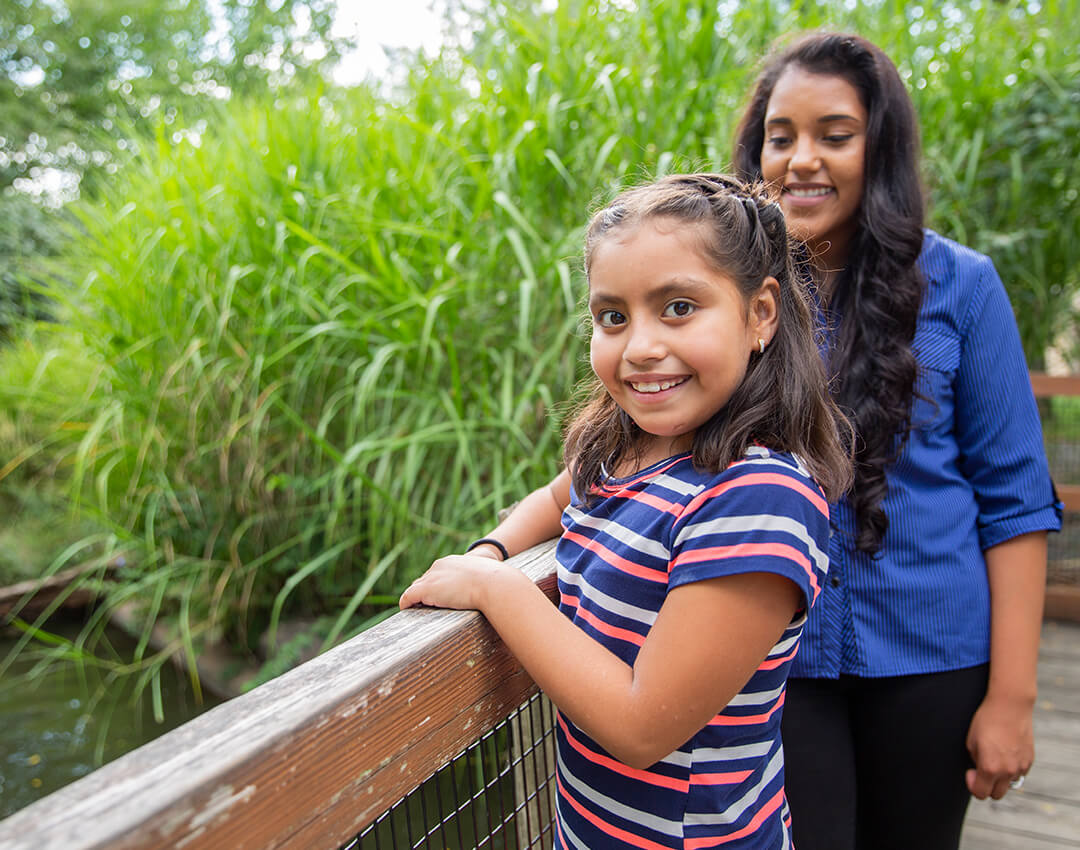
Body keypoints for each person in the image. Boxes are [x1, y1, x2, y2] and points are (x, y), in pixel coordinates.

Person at [400, 173, 853, 849]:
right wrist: (490, 550)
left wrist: (496, 589)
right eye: (613, 316)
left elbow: (642, 726)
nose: (640, 345)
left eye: (677, 307)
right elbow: (554, 500)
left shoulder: (757, 498)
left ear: (759, 314)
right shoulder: (621, 449)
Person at [732, 32, 1063, 850]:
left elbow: (1015, 503)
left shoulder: (963, 287)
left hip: (934, 657)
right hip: (778, 663)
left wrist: (1012, 700)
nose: (801, 159)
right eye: (781, 137)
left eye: (834, 135)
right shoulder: (732, 296)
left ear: (878, 150)